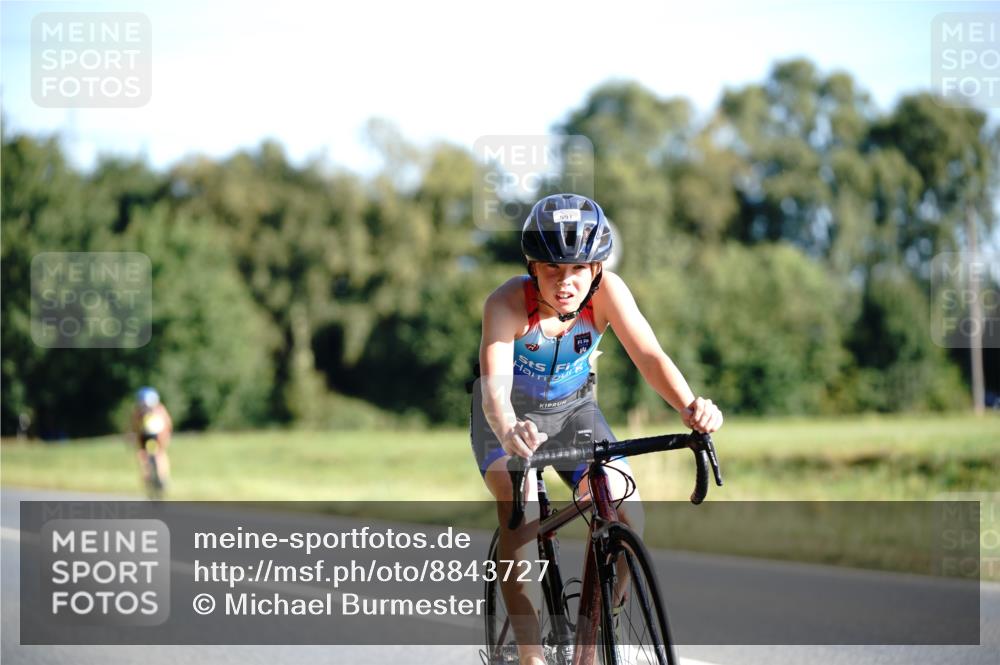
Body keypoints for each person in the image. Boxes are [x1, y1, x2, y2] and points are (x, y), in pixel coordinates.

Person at [471, 193, 723, 665]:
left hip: (575, 413)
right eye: (552, 269)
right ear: (532, 267)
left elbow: (649, 356)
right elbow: (494, 390)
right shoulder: (505, 304)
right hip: (509, 419)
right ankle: (529, 655)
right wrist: (507, 428)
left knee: (629, 511)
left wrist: (690, 407)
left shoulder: (608, 294)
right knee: (520, 512)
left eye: (578, 270)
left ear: (597, 269)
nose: (566, 282)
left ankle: (598, 631)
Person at [130, 387, 173, 489]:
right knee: (160, 453)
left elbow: (134, 426)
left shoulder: (139, 410)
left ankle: (148, 476)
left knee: (142, 454)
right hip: (157, 435)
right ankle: (163, 477)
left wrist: (131, 436)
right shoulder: (159, 408)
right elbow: (168, 423)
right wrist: (167, 436)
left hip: (146, 435)